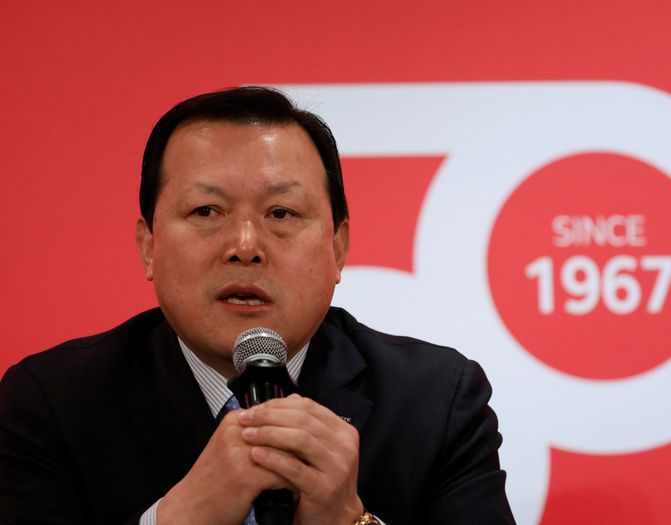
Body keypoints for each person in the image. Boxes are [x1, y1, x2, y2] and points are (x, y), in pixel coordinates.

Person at [0, 86, 515, 525]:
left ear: (337, 249)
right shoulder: (49, 404)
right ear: (148, 246)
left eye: (281, 212)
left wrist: (350, 521)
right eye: (206, 210)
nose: (245, 244)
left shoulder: (437, 402)